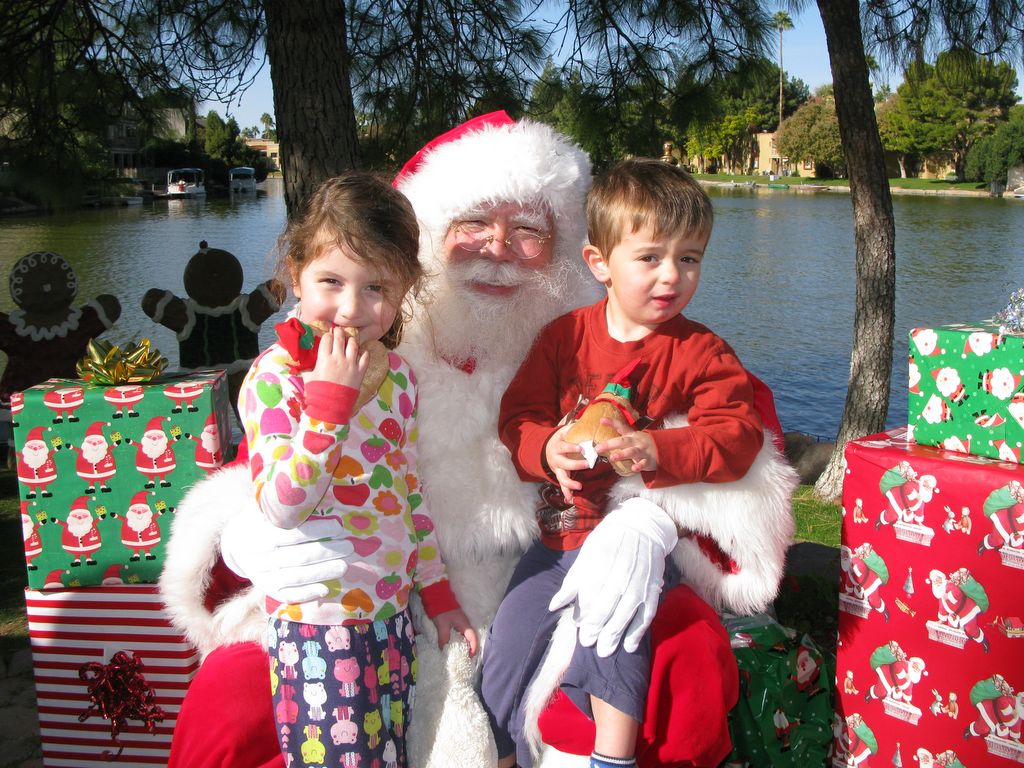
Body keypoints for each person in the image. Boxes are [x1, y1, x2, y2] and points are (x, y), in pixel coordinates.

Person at [161, 112, 795, 768]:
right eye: (472, 225)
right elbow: (264, 453)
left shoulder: (602, 335)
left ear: (573, 251)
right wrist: (247, 536)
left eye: (528, 231)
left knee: (681, 653)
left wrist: (650, 521)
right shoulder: (355, 345)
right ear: (429, 240)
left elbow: (740, 430)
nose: (498, 249)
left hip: (557, 570)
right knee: (228, 703)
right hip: (370, 589)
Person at [482, 159, 764, 768]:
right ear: (599, 264)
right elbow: (518, 416)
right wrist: (544, 447)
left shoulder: (701, 351)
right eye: (651, 257)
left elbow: (738, 435)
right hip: (557, 541)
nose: (672, 276)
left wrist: (659, 449)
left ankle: (613, 758)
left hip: (640, 541)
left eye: (690, 258)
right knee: (507, 642)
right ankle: (502, 753)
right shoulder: (564, 339)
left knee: (616, 629)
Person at [236, 173, 476, 767]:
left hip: (390, 616)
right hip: (319, 623)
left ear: (403, 293)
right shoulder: (277, 378)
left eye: (376, 287)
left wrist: (437, 593)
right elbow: (282, 505)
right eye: (330, 282)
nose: (350, 308)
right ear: (295, 276)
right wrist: (328, 407)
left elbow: (405, 493)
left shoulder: (397, 378)